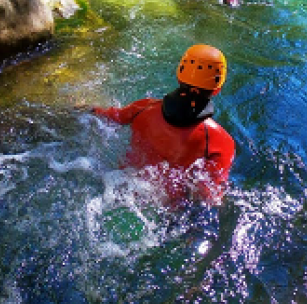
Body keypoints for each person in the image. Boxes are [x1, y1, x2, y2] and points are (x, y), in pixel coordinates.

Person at [91, 44, 235, 205]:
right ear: (217, 89)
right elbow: (210, 195)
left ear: (179, 76)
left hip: (120, 184)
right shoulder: (219, 141)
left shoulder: (143, 107)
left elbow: (108, 117)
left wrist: (85, 108)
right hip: (169, 205)